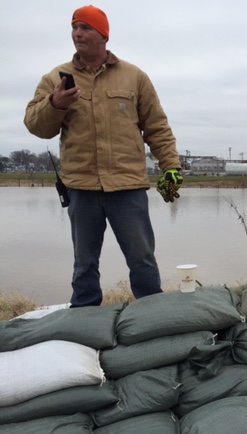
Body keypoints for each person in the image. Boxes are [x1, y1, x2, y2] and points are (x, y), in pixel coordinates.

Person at [24, 5, 183, 307]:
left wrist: (171, 168)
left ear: (103, 35)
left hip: (128, 188)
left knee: (143, 261)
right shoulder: (55, 79)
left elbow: (157, 128)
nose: (77, 33)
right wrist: (55, 104)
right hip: (80, 189)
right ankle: (85, 322)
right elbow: (35, 126)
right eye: (74, 27)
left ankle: (154, 317)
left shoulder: (135, 77)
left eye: (85, 27)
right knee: (84, 266)